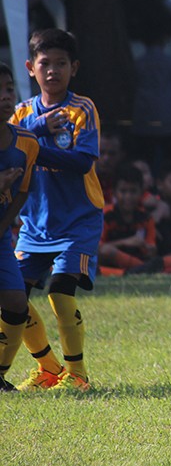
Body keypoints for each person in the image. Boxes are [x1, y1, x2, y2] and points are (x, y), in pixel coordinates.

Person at [11, 29, 105, 392]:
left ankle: (77, 375)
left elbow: (82, 162)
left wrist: (33, 146)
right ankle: (48, 368)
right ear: (30, 68)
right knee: (11, 296)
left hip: (78, 220)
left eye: (61, 64)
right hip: (36, 224)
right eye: (45, 63)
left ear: (74, 67)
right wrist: (35, 131)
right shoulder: (22, 114)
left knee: (60, 293)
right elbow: (11, 144)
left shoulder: (81, 109)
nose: (53, 71)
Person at [0, 63, 39, 390]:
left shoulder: (26, 142)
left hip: (1, 235)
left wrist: (5, 225)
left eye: (9, 89)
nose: (4, 97)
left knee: (16, 303)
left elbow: (23, 190)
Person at [128, 25, 171, 175]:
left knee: (146, 159)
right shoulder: (170, 61)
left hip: (143, 115)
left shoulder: (138, 63)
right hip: (166, 115)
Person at [98, 163, 159, 276]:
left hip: (136, 261)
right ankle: (133, 272)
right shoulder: (105, 215)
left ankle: (139, 270)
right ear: (114, 193)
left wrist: (148, 248)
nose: (128, 197)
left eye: (133, 191)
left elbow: (151, 248)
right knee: (106, 251)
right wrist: (125, 242)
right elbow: (98, 248)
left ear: (141, 192)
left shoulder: (146, 218)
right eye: (123, 191)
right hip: (109, 262)